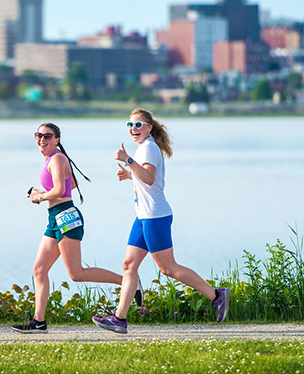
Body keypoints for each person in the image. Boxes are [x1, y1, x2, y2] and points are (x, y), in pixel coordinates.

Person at [92, 109, 229, 334]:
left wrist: (127, 160)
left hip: (155, 216)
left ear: (149, 127)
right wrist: (129, 174)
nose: (133, 129)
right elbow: (146, 179)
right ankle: (119, 319)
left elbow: (149, 177)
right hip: (144, 216)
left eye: (138, 125)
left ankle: (216, 295)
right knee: (129, 265)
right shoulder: (144, 148)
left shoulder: (147, 148)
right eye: (130, 124)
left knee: (167, 268)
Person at [11, 122, 142, 334]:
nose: (42, 139)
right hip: (55, 218)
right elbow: (70, 184)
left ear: (57, 140)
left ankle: (129, 282)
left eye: (47, 136)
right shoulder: (53, 160)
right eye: (38, 135)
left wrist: (40, 196)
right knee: (39, 269)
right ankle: (39, 321)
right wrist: (45, 192)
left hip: (66, 218)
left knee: (76, 273)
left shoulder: (58, 158)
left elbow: (62, 189)